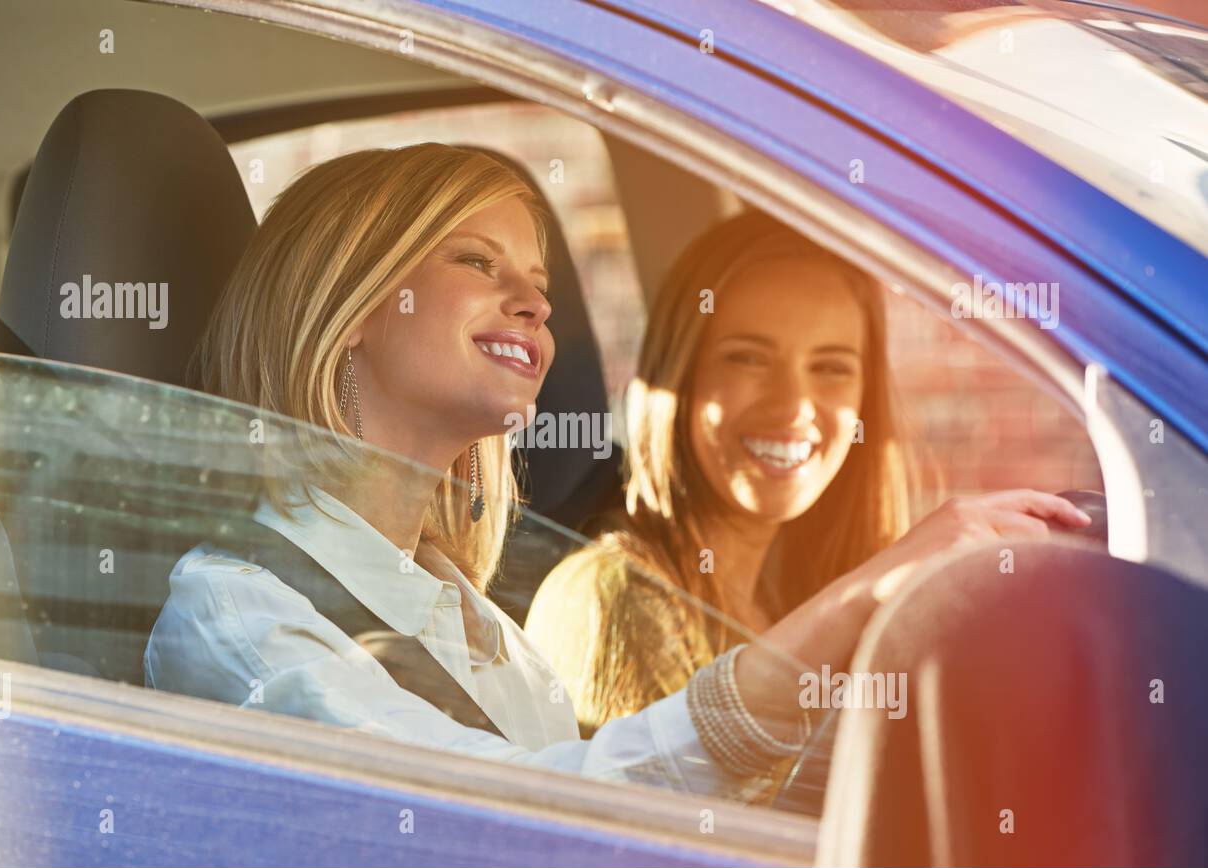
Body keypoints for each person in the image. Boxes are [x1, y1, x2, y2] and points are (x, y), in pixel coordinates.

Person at [144, 143, 1090, 805]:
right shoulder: (240, 614)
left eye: (542, 289)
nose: (534, 305)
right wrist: (857, 607)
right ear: (347, 304)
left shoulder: (472, 621)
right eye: (478, 261)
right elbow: (532, 820)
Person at [527, 210, 910, 746]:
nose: (793, 407)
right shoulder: (616, 600)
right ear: (680, 374)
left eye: (831, 368)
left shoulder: (787, 593)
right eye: (748, 359)